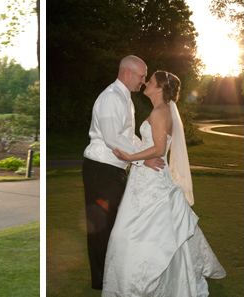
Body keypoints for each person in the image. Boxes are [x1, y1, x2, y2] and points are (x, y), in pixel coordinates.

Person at [104, 71, 225, 296]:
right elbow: (159, 146)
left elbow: (160, 149)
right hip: (147, 177)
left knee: (133, 232)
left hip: (151, 181)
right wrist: (138, 151)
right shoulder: (162, 110)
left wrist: (129, 157)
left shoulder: (161, 112)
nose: (145, 83)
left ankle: (139, 280)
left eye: (150, 82)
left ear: (159, 89)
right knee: (151, 230)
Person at [82, 55, 165, 290]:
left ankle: (112, 275)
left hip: (114, 170)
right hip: (101, 170)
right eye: (141, 76)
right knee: (101, 227)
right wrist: (143, 160)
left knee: (115, 226)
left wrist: (144, 152)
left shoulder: (125, 98)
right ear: (128, 73)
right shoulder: (110, 98)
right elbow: (112, 139)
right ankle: (101, 282)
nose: (144, 80)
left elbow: (129, 137)